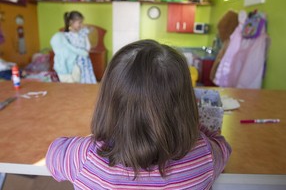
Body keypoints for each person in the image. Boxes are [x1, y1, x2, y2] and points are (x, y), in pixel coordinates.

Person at [46, 40, 231, 189]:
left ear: (108, 103)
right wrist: (190, 125)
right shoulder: (205, 155)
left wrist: (90, 140)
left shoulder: (85, 156)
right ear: (186, 105)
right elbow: (222, 145)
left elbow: (53, 154)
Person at [50, 11, 96, 84]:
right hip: (75, 64)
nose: (81, 25)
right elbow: (66, 52)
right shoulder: (66, 36)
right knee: (76, 86)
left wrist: (85, 35)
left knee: (87, 85)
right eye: (79, 22)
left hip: (85, 63)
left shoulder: (82, 33)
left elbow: (88, 47)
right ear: (71, 22)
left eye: (82, 22)